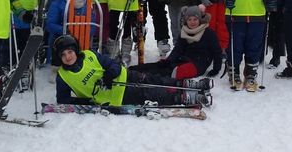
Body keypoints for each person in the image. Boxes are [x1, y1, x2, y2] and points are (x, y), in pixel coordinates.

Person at [53, 35, 212, 106]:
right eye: (63, 55)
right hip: (116, 96)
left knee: (153, 80)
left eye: (70, 52)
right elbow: (63, 100)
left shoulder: (88, 55)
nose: (68, 57)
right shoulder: (63, 76)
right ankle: (185, 97)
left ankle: (187, 83)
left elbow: (112, 64)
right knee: (150, 93)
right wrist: (88, 100)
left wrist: (110, 74)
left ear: (75, 50)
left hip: (124, 75)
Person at [130, 6, 222, 79]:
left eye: (195, 19)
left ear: (200, 20)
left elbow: (217, 51)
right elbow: (178, 49)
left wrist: (216, 69)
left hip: (198, 64)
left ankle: (140, 77)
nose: (192, 22)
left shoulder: (208, 32)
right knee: (160, 66)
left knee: (168, 73)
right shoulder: (185, 31)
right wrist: (168, 61)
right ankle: (131, 71)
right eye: (189, 20)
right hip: (183, 59)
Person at [46, 0, 98, 81]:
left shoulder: (87, 4)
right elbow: (50, 24)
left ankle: (82, 66)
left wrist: (87, 32)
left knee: (86, 46)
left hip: (82, 36)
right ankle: (56, 68)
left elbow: (92, 22)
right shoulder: (58, 3)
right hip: (62, 36)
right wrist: (66, 31)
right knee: (62, 43)